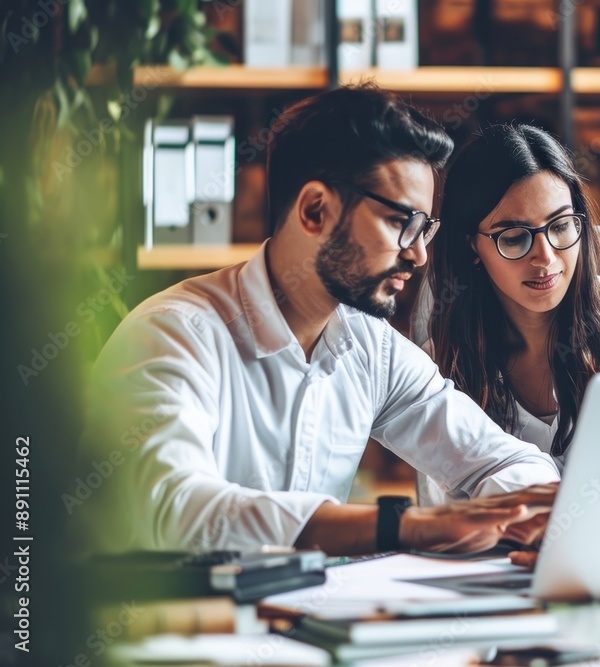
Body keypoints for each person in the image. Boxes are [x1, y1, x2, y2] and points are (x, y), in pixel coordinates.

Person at [72, 86, 560, 557]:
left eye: (426, 229)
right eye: (400, 223)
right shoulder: (172, 336)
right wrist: (403, 526)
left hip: (302, 627)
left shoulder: (371, 347)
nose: (417, 254)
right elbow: (172, 508)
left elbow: (504, 458)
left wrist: (542, 513)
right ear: (314, 210)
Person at [418, 123, 600, 504]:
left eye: (560, 226)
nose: (545, 257)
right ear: (472, 247)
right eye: (513, 237)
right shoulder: (444, 364)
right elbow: (450, 516)